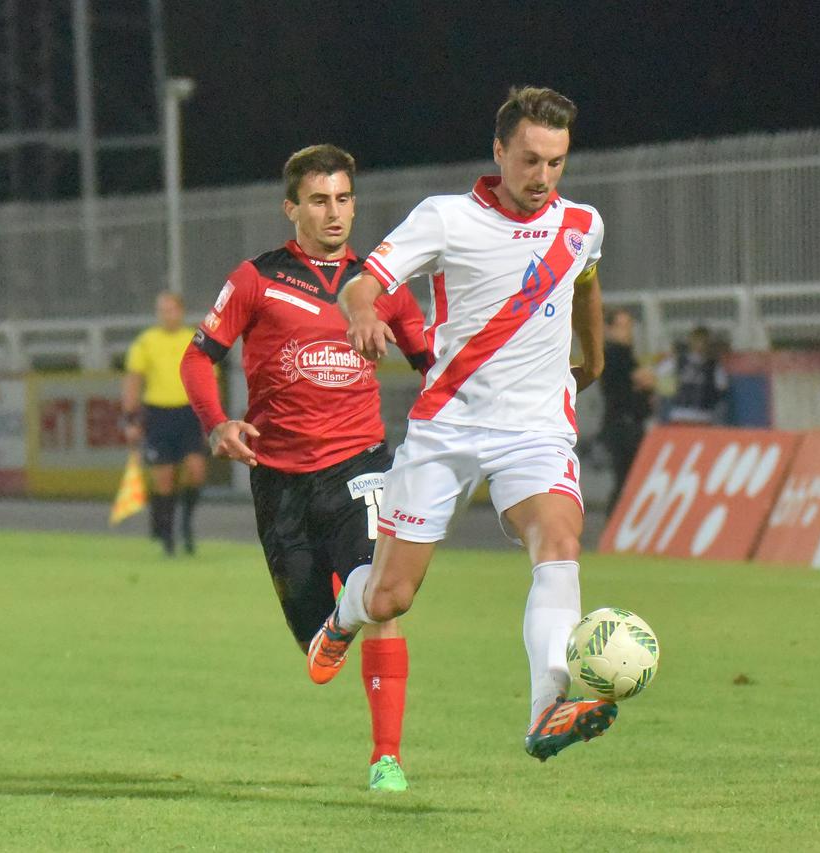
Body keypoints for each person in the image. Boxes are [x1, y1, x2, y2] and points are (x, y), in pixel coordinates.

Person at [306, 87, 616, 764]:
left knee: (559, 539)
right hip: (449, 429)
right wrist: (362, 312)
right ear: (499, 150)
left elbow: (585, 284)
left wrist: (592, 359)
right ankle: (342, 614)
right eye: (531, 160)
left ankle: (548, 707)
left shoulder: (582, 223)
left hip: (535, 429)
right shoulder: (446, 219)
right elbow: (366, 280)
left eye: (557, 163)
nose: (543, 178)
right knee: (392, 594)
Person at [181, 144, 430, 791]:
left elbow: (433, 364)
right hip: (279, 477)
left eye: (344, 198)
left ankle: (387, 758)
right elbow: (195, 358)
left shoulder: (380, 288)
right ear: (291, 207)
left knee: (382, 598)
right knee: (314, 644)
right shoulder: (256, 279)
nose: (334, 212)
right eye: (319, 200)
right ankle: (335, 623)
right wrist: (218, 423)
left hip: (359, 465)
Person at [121, 292, 207, 555]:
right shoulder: (147, 342)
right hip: (158, 414)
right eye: (162, 310)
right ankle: (168, 536)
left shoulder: (194, 339)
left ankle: (186, 525)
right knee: (164, 478)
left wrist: (212, 418)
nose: (167, 315)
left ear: (180, 311)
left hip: (189, 412)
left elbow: (207, 380)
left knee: (195, 471)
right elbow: (134, 380)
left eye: (171, 309)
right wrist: (131, 418)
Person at [599, 309, 655, 511]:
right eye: (622, 327)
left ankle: (617, 523)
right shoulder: (615, 355)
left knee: (629, 478)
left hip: (628, 423)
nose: (628, 332)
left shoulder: (626, 355)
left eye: (629, 327)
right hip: (623, 424)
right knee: (626, 478)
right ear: (609, 329)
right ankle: (614, 521)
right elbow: (640, 381)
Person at [661, 325, 728, 424]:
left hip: (704, 415)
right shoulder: (677, 361)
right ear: (690, 341)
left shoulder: (714, 366)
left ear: (708, 344)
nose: (700, 345)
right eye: (697, 341)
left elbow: (722, 387)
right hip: (680, 413)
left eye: (703, 341)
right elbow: (658, 375)